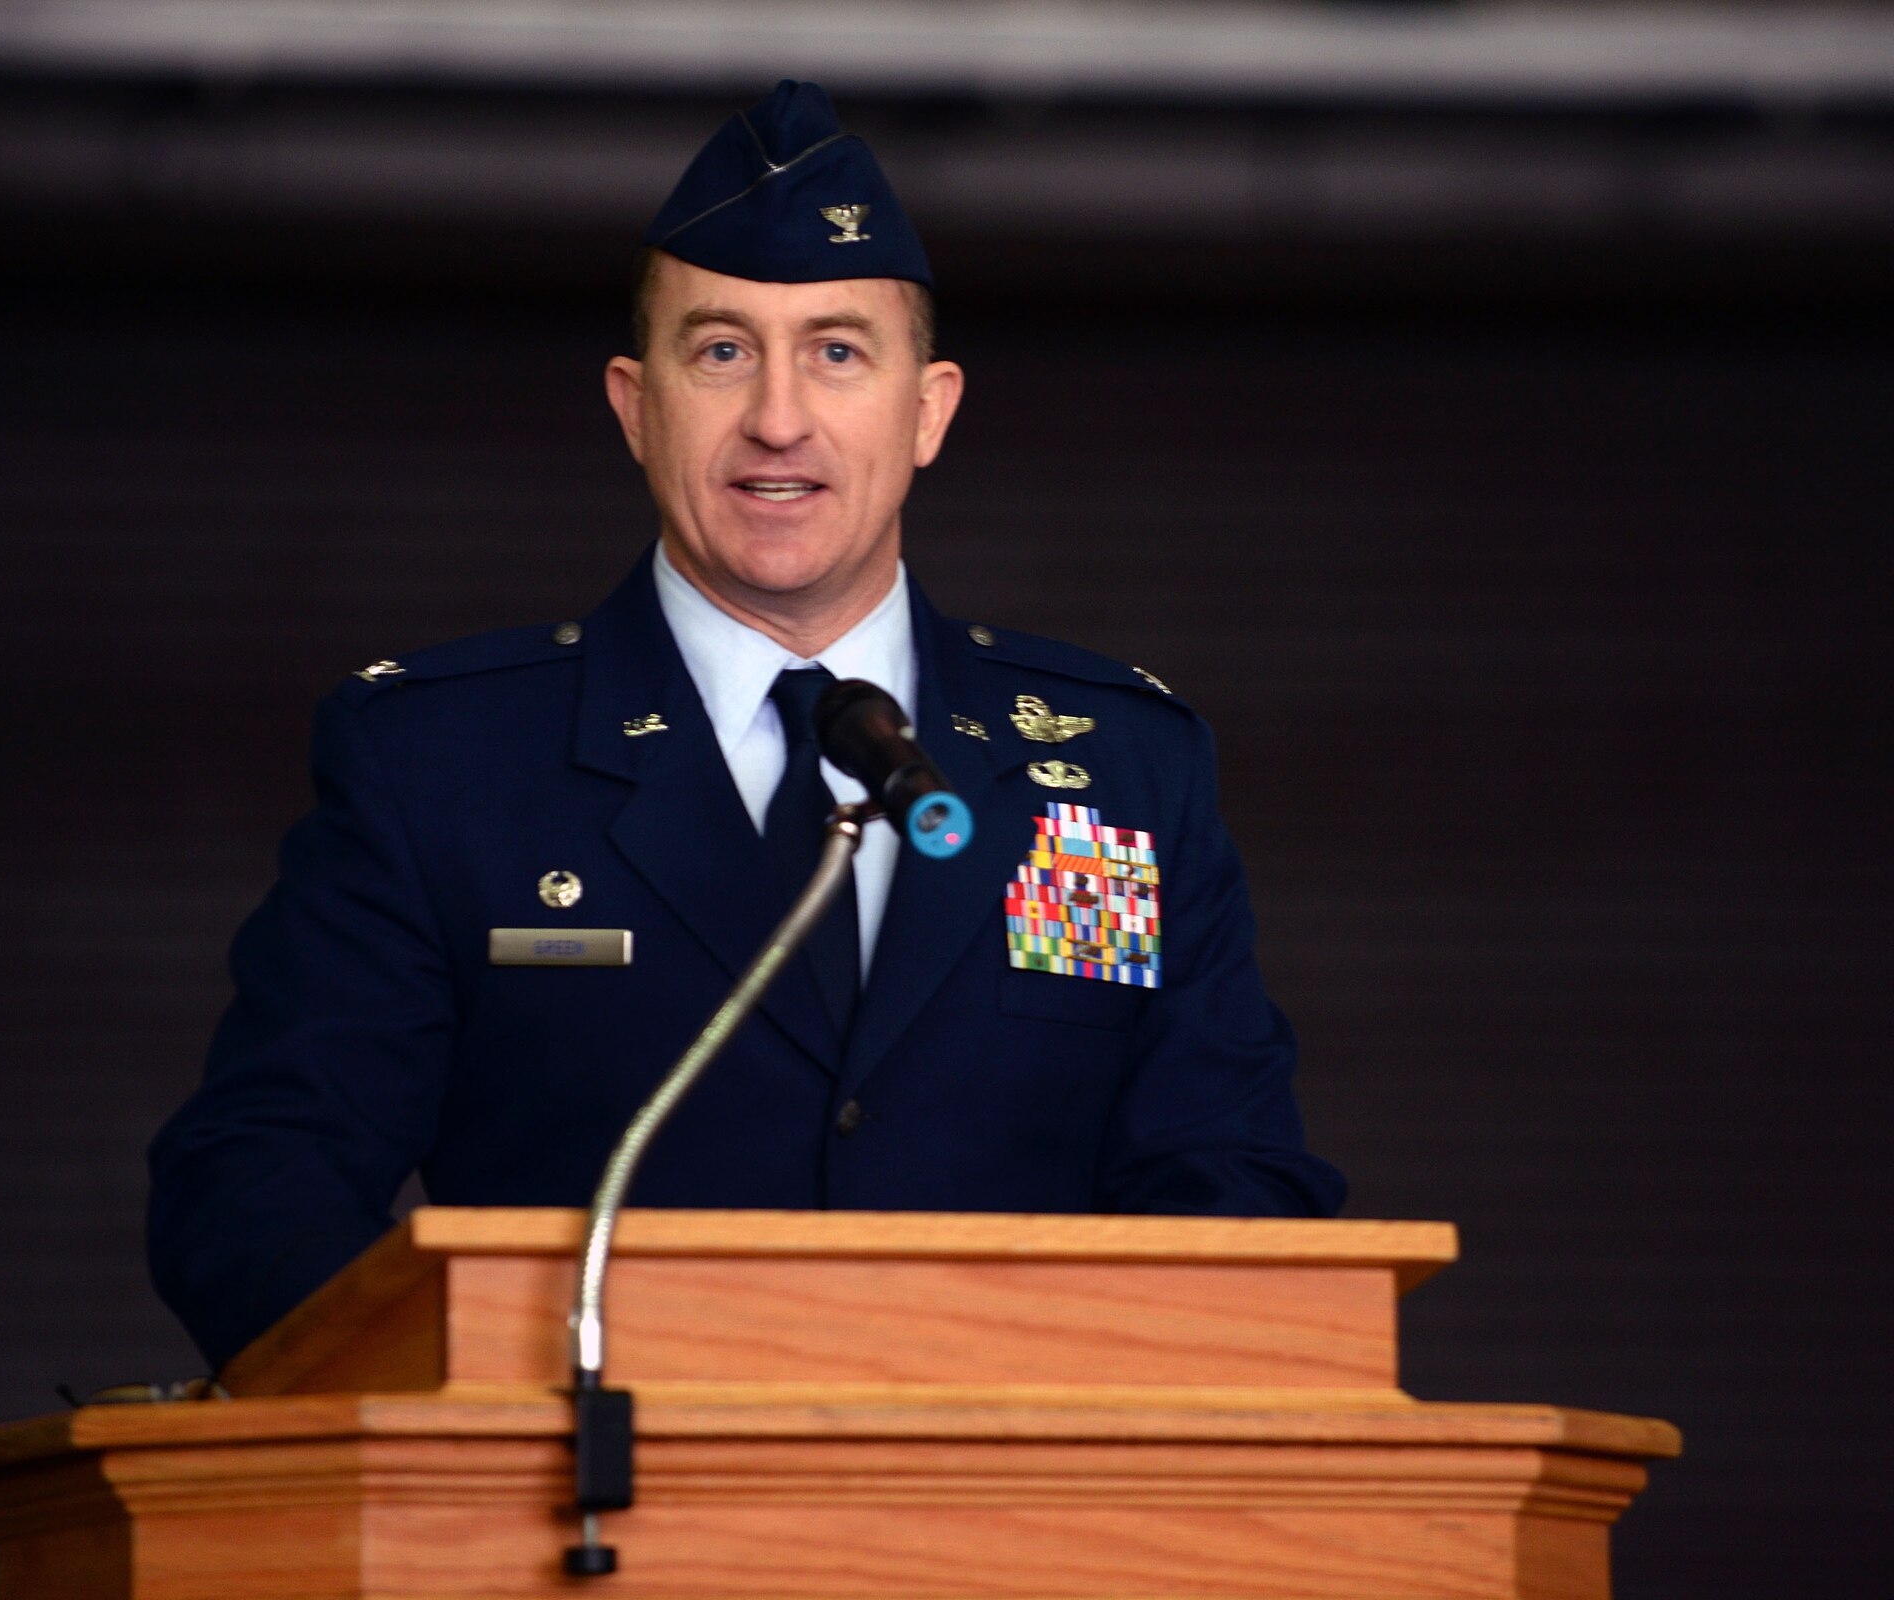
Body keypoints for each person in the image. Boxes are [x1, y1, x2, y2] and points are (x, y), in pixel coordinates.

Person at [149, 80, 1346, 1373]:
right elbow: (259, 1187)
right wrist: (487, 1418)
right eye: (722, 351)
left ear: (928, 408)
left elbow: (1231, 1186)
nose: (779, 418)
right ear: (633, 403)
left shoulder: (1121, 771)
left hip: (1010, 1527)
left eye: (838, 351)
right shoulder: (438, 763)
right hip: (577, 1517)